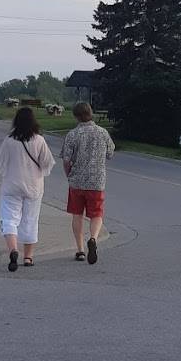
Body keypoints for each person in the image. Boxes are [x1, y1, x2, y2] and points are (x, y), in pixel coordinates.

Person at [0, 106, 55, 272]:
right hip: (34, 186)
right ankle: (28, 257)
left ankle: (13, 250)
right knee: (30, 220)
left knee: (9, 218)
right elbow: (47, 163)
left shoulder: (9, 140)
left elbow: (0, 164)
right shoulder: (39, 140)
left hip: (11, 185)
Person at [61, 101, 115, 264]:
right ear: (90, 113)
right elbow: (110, 153)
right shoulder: (103, 132)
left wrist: (69, 174)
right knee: (96, 214)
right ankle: (93, 239)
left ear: (76, 116)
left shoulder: (72, 134)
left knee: (77, 214)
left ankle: (80, 250)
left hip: (77, 181)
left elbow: (66, 159)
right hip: (96, 181)